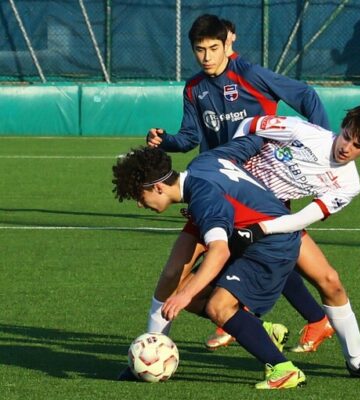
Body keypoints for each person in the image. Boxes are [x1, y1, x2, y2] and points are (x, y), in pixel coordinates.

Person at [160, 104, 360, 380]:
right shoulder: (300, 129)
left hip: (271, 217)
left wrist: (259, 229)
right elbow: (251, 125)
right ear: (342, 127)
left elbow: (303, 217)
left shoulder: (348, 184)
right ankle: (156, 342)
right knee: (176, 279)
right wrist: (233, 164)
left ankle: (358, 361)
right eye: (346, 135)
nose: (346, 146)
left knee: (330, 281)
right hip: (228, 200)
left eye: (357, 145)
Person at [143, 14, 336, 353]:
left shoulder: (249, 74)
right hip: (214, 185)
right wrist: (167, 141)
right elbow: (190, 136)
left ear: (226, 45)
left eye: (213, 49)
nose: (206, 57)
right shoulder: (193, 88)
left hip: (260, 184)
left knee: (267, 253)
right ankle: (254, 321)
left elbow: (306, 96)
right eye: (199, 50)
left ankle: (308, 321)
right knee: (193, 263)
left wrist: (321, 149)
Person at [112, 140, 307, 389]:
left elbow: (219, 252)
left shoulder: (204, 200)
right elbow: (172, 271)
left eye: (140, 195)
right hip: (248, 237)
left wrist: (185, 295)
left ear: (159, 187)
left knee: (218, 306)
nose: (139, 203)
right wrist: (154, 343)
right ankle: (260, 331)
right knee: (175, 279)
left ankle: (284, 369)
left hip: (272, 244)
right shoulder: (200, 167)